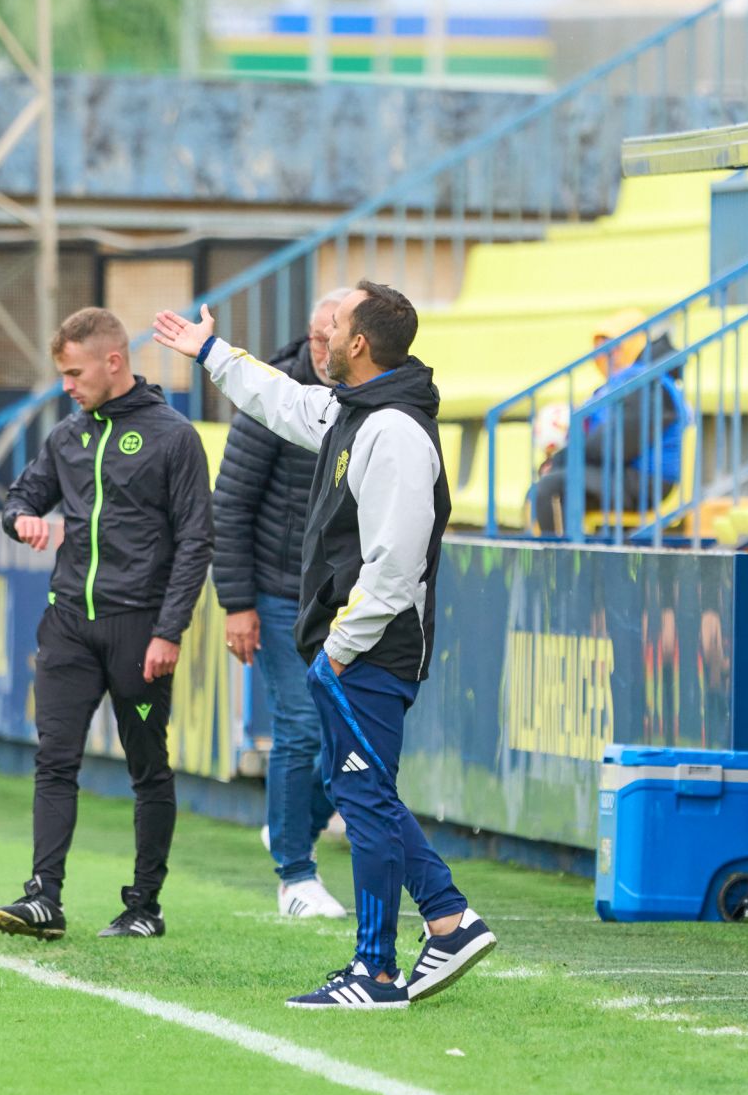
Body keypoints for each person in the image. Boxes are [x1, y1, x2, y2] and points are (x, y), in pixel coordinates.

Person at [153, 282, 497, 1010]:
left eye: (334, 326)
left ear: (360, 343)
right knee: (361, 789)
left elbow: (396, 566)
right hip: (352, 648)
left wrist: (340, 648)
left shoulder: (395, 432)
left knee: (364, 795)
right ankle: (447, 917)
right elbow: (283, 402)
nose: (323, 338)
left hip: (373, 648)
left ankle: (377, 967)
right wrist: (212, 352)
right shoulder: (353, 411)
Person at [0, 308, 213, 943]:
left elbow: (196, 542)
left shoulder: (174, 438)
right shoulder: (67, 438)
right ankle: (43, 897)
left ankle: (144, 904)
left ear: (114, 362)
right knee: (54, 760)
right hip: (67, 625)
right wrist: (21, 521)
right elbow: (22, 498)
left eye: (74, 372)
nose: (67, 386)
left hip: (139, 630)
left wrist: (169, 631)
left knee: (147, 766)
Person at [212, 290, 349, 919]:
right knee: (298, 725)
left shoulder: (378, 402)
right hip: (274, 591)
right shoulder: (276, 396)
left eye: (335, 338)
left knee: (347, 731)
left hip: (346, 601)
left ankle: (289, 820)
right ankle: (295, 875)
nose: (323, 351)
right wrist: (237, 603)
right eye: (316, 337)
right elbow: (231, 503)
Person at [531, 325, 688, 535]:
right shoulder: (624, 384)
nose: (602, 357)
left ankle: (559, 564)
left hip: (646, 483)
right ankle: (571, 558)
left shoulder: (648, 385)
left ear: (634, 346)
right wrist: (559, 460)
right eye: (598, 350)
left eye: (610, 348)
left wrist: (563, 459)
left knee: (550, 488)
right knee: (553, 485)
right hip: (625, 475)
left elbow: (617, 445)